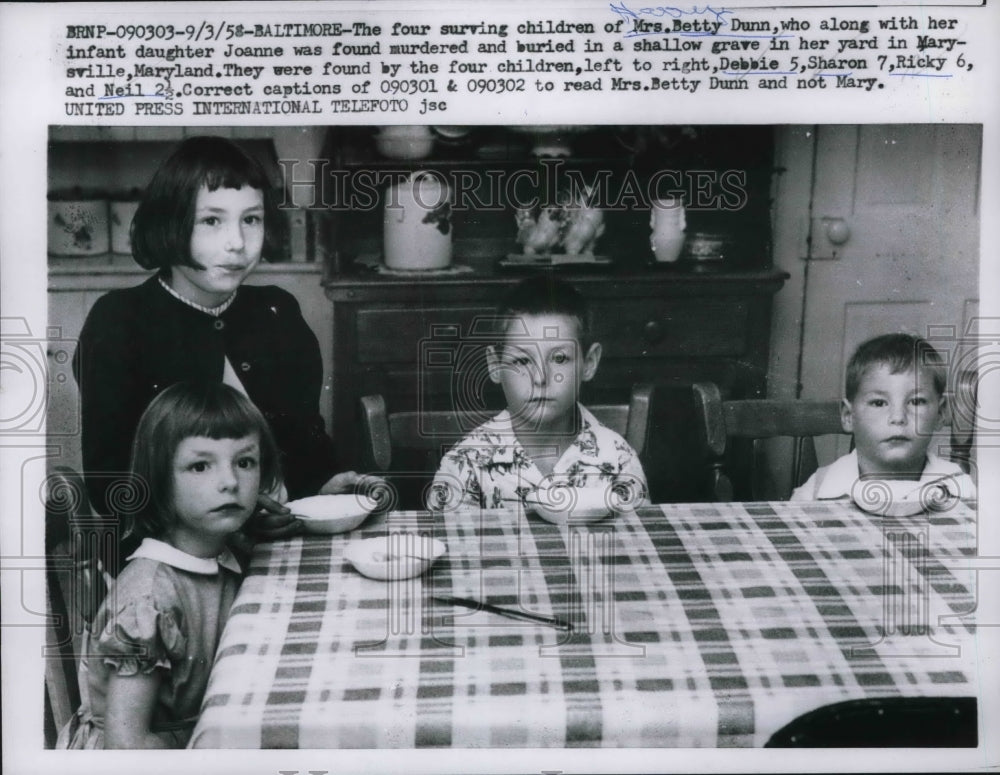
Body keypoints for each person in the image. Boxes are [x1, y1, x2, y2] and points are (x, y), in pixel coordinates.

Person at [72, 135, 365, 569]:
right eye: (211, 221)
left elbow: (304, 443)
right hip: (173, 564)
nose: (237, 243)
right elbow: (112, 487)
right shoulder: (119, 322)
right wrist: (236, 522)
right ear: (171, 222)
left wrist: (324, 488)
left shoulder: (277, 312)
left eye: (251, 219)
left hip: (280, 551)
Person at [57, 382, 278, 749]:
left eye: (244, 462)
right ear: (159, 477)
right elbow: (126, 745)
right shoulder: (150, 600)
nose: (230, 481)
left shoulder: (225, 548)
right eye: (200, 466)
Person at [428, 276, 648, 511]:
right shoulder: (465, 464)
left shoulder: (618, 459)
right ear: (495, 366)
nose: (540, 378)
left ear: (589, 363)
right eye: (522, 360)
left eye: (560, 358)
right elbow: (450, 544)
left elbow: (637, 540)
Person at [791, 333, 977, 501]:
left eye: (916, 401)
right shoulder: (820, 490)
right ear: (849, 416)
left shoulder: (959, 489)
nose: (898, 418)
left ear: (940, 414)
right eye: (879, 403)